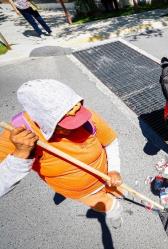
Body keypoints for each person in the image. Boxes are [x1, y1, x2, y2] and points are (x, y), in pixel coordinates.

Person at [0, 79, 124, 227]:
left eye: (79, 114)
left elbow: (110, 141)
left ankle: (116, 196)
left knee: (119, 191)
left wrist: (114, 169)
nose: (78, 124)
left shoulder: (84, 116)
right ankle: (114, 211)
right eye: (68, 124)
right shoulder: (19, 136)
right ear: (45, 122)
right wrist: (21, 155)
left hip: (107, 175)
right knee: (108, 206)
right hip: (82, 192)